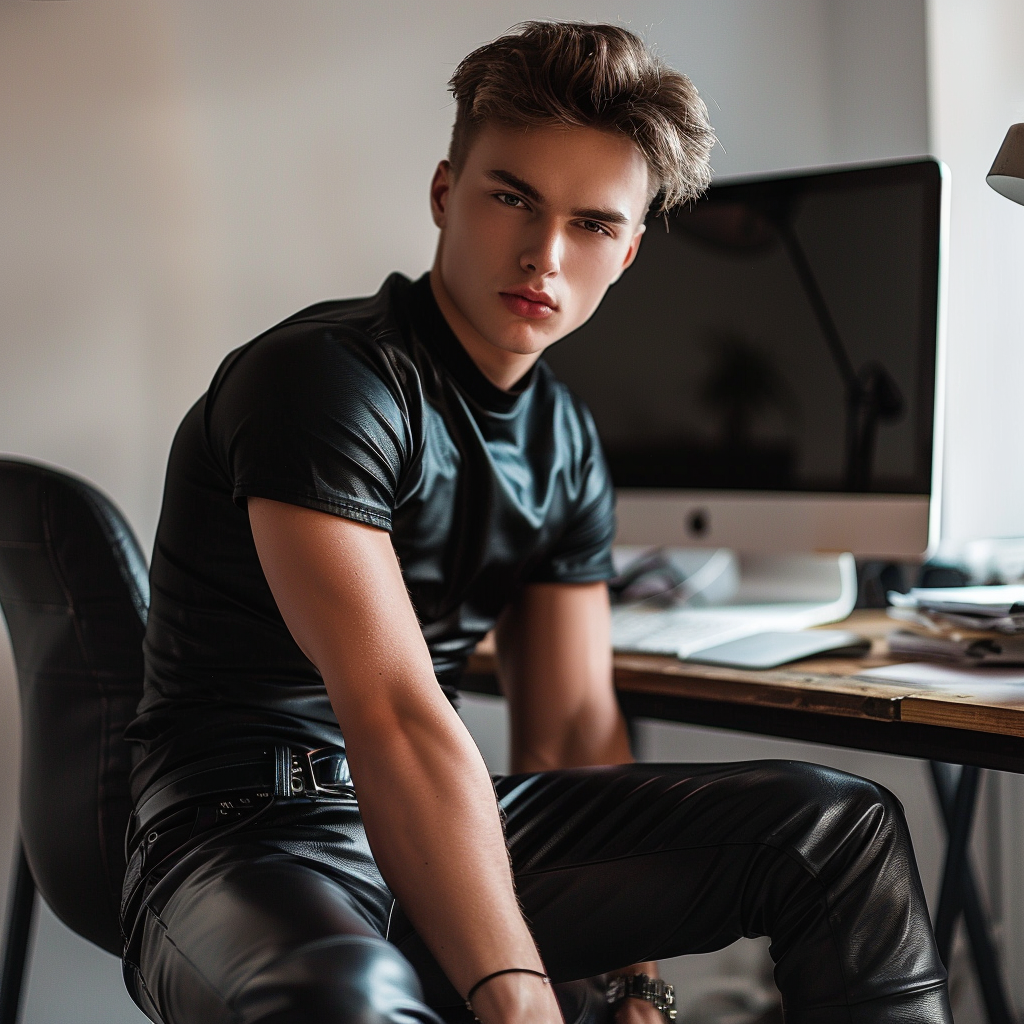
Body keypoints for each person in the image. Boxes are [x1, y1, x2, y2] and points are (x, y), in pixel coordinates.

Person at [120, 20, 952, 1024]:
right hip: (244, 833)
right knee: (342, 997)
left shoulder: (566, 439)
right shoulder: (325, 381)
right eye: (510, 197)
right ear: (444, 192)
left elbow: (567, 726)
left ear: (631, 247)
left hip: (441, 819)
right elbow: (390, 712)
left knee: (836, 827)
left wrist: (633, 986)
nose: (543, 254)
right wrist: (519, 994)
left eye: (592, 223)